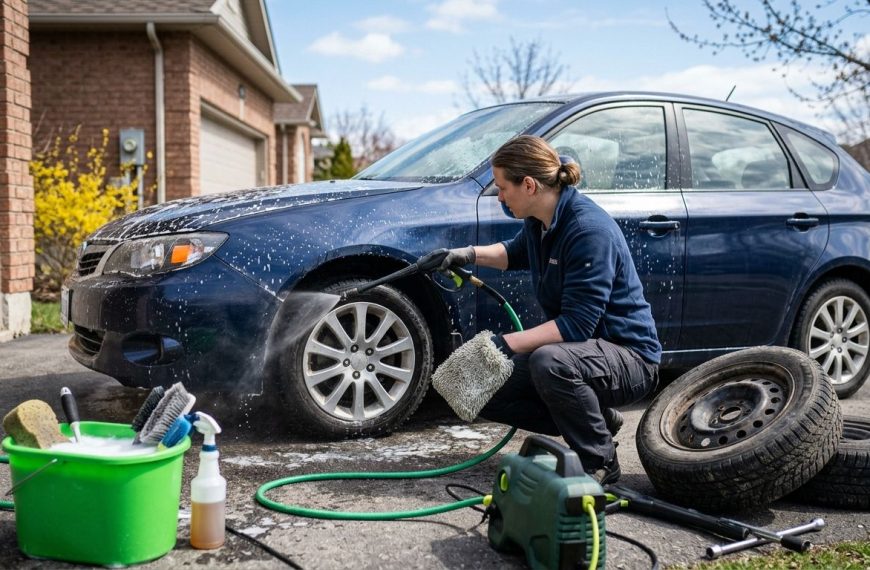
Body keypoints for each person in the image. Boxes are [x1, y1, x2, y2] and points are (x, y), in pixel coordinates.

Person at [437, 135, 661, 484]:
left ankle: (599, 462)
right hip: (581, 356)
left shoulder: (587, 231)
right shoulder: (541, 220)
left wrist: (506, 343)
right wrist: (464, 254)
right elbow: (514, 253)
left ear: (528, 185)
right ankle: (596, 418)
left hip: (629, 357)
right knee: (478, 381)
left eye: (501, 187)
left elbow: (576, 326)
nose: (499, 196)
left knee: (548, 362)